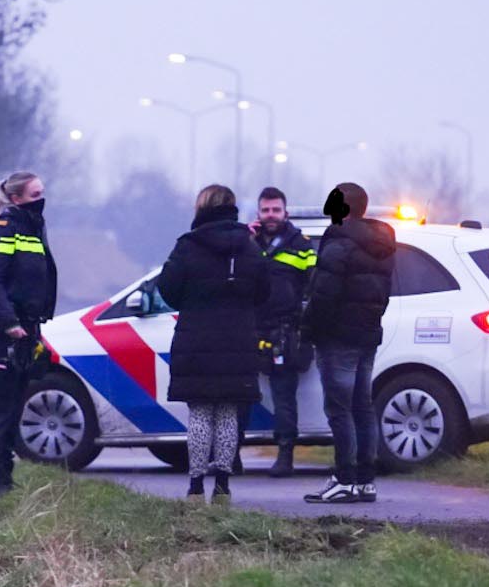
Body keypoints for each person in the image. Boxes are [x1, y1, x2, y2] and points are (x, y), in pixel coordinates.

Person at [156, 185, 270, 502]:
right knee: (229, 414)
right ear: (232, 208)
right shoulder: (249, 246)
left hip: (196, 339)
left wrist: (190, 301)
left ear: (201, 208)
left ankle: (195, 486)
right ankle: (222, 486)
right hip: (239, 339)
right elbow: (264, 291)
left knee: (201, 414)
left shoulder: (187, 246)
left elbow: (167, 288)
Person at [300, 181, 394, 504]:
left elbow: (323, 295)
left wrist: (308, 329)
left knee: (339, 410)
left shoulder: (339, 241)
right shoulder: (381, 243)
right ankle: (366, 481)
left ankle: (344, 479)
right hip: (367, 334)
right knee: (362, 408)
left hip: (337, 337)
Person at [0, 169, 58, 497]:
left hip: (26, 328)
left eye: (42, 193)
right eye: (35, 195)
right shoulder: (3, 229)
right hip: (5, 331)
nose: (41, 200)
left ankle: (4, 480)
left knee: (14, 406)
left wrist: (34, 327)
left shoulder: (31, 229)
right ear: (16, 198)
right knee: (0, 406)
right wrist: (9, 322)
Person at [249, 187, 318, 477]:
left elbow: (313, 285)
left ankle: (285, 454)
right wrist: (246, 240)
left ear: (285, 213)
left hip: (284, 330)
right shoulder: (248, 243)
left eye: (276, 210)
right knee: (240, 393)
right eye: (265, 210)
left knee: (283, 397)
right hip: (250, 328)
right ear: (258, 213)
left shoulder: (300, 245)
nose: (271, 215)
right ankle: (232, 456)